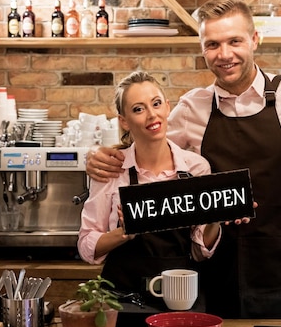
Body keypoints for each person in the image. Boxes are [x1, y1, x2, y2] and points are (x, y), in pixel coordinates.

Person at [85, 0, 281, 319]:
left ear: (255, 40)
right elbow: (146, 151)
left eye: (234, 41)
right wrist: (99, 157)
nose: (224, 54)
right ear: (202, 49)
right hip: (215, 274)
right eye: (212, 44)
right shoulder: (191, 108)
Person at [77, 70, 221, 298]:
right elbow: (86, 246)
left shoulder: (196, 169)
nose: (152, 115)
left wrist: (216, 218)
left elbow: (199, 251)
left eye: (156, 104)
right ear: (124, 121)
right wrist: (123, 233)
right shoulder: (113, 170)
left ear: (167, 107)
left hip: (180, 297)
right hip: (121, 299)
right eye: (138, 109)